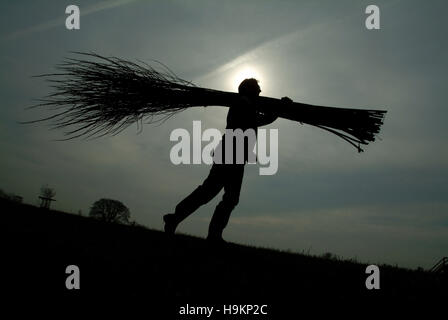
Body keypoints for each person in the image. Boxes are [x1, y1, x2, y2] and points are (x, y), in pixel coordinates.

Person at [163, 78, 292, 244]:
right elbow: (258, 120)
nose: (260, 92)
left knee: (222, 195)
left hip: (236, 155)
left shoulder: (246, 104)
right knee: (215, 194)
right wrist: (280, 108)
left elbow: (261, 120)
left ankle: (199, 228)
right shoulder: (243, 103)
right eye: (257, 89)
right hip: (231, 153)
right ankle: (184, 222)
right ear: (248, 89)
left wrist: (278, 110)